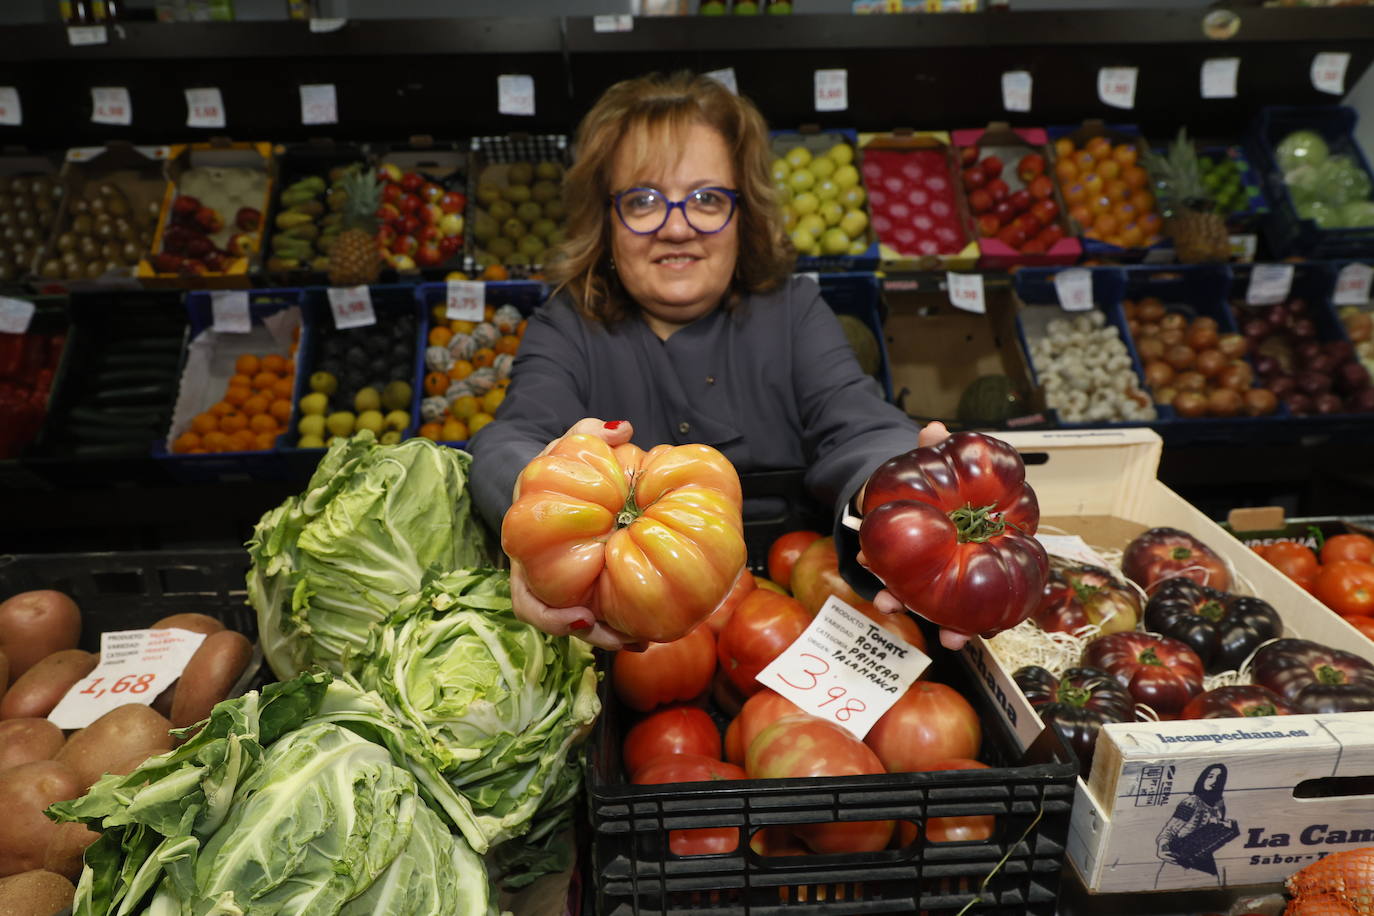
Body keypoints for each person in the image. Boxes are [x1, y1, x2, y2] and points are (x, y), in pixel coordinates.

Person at [468, 70, 950, 651]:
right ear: (606, 219)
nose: (677, 226)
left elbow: (859, 423)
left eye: (707, 199)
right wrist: (539, 503)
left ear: (743, 215)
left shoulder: (792, 311)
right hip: (625, 634)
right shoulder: (569, 325)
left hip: (792, 626)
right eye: (643, 200)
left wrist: (896, 495)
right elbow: (507, 439)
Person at [1155, 763, 1238, 882]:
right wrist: (1162, 847)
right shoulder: (1192, 801)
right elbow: (1170, 830)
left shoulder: (1219, 804)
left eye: (1219, 778)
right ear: (1203, 778)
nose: (1214, 781)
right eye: (1210, 776)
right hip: (1179, 858)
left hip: (1204, 859)